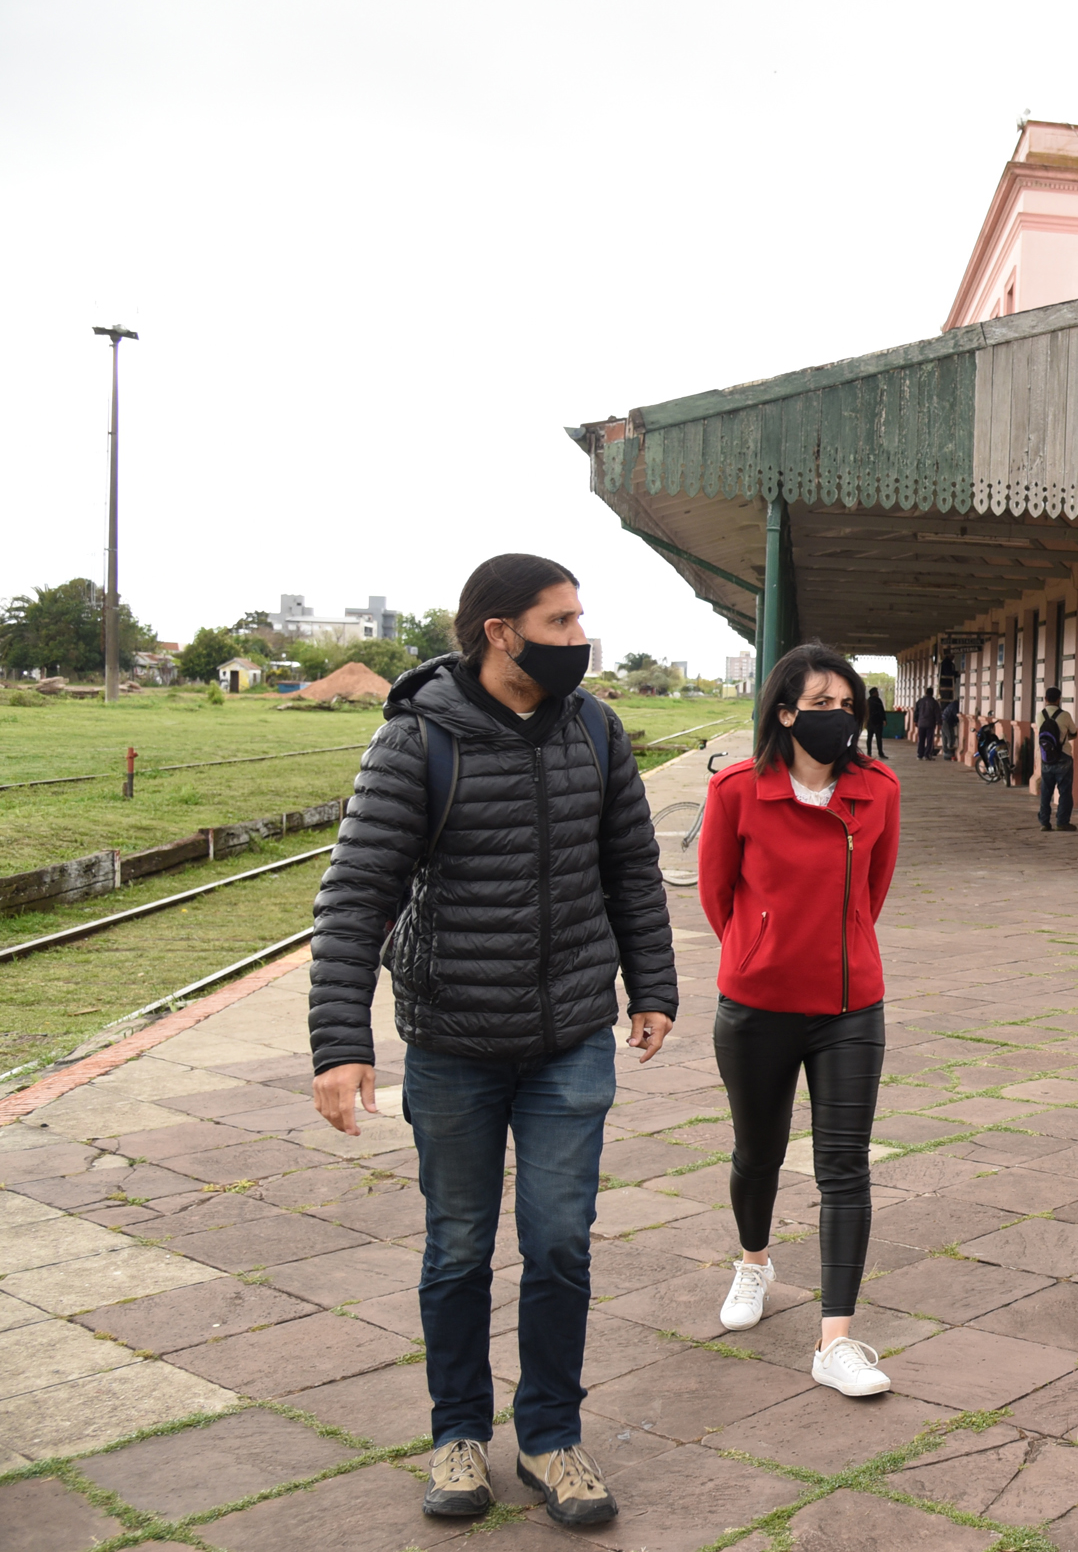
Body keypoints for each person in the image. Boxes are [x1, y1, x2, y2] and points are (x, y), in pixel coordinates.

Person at [308, 553, 677, 1527]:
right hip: (453, 1042)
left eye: (580, 619)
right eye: (560, 622)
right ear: (499, 631)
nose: (579, 637)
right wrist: (340, 1038)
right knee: (458, 1247)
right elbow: (355, 898)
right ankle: (458, 1432)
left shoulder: (596, 728)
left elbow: (632, 869)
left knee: (560, 1243)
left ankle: (551, 1436)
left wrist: (654, 983)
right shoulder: (418, 740)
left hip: (569, 1039)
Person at [698, 642, 902, 1397]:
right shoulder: (735, 792)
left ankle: (835, 1340)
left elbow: (872, 892)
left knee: (843, 1166)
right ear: (783, 712)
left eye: (847, 705)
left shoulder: (878, 788)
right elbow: (716, 895)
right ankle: (754, 1260)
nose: (837, 719)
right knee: (759, 1151)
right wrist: (761, 950)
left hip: (850, 1006)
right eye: (820, 706)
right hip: (756, 1007)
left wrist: (835, 949)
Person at [1037, 685, 1078, 832]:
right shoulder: (1065, 715)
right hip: (1064, 757)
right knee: (1065, 791)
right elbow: (1074, 733)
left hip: (1046, 757)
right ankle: (1062, 822)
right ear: (1059, 699)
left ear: (1045, 699)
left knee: (1046, 791)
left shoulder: (1039, 715)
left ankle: (1044, 822)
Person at [863, 685, 890, 759]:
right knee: (878, 738)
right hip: (877, 722)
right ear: (874, 693)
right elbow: (881, 711)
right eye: (877, 692)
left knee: (869, 738)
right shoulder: (878, 700)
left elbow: (865, 712)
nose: (878, 693)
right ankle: (880, 753)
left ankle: (869, 753)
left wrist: (865, 721)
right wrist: (884, 720)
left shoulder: (868, 701)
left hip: (870, 722)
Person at [912, 688, 939, 759]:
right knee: (929, 740)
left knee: (921, 739)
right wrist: (939, 723)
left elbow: (916, 712)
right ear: (932, 693)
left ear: (925, 692)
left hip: (921, 723)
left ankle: (920, 754)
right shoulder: (934, 702)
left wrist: (915, 721)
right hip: (930, 723)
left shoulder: (920, 701)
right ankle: (927, 755)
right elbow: (937, 713)